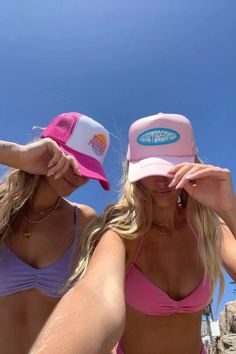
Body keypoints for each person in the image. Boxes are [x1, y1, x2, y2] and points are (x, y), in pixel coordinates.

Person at [31, 113, 236, 354]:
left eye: (172, 168)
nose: (162, 180)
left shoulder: (208, 228)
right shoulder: (121, 233)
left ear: (193, 164)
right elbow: (95, 294)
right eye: (152, 169)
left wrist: (228, 209)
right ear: (134, 173)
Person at [0, 111, 110, 354]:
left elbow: (101, 304)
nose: (80, 176)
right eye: (75, 162)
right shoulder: (1, 208)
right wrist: (17, 155)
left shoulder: (83, 219)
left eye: (89, 171)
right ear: (48, 149)